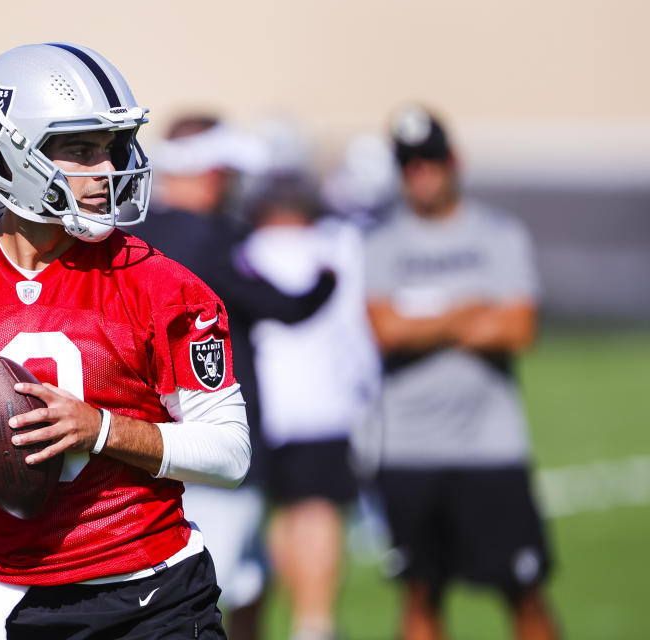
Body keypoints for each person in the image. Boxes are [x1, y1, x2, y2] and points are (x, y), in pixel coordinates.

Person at [0, 43, 251, 639]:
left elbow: (230, 453)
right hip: (8, 594)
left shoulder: (161, 285)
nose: (108, 172)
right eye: (81, 151)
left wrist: (101, 429)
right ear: (9, 155)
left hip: (154, 594)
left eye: (111, 151)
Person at [361, 105, 559, 640]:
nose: (420, 174)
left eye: (429, 160)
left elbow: (518, 327)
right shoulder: (381, 243)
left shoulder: (498, 233)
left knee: (525, 589)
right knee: (421, 590)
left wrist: (421, 320)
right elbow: (387, 330)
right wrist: (468, 310)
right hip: (409, 449)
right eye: (409, 164)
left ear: (454, 160)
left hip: (490, 448)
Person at [135, 117, 336, 640]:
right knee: (205, 601)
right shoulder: (206, 236)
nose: (226, 185)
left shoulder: (130, 237)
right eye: (221, 172)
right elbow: (287, 306)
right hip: (208, 442)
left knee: (230, 592)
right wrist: (327, 279)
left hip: (150, 446)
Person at [240, 177, 380, 640]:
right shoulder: (336, 248)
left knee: (281, 513)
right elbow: (359, 333)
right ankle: (313, 623)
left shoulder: (244, 249)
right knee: (317, 512)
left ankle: (302, 619)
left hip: (260, 408)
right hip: (324, 405)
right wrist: (369, 396)